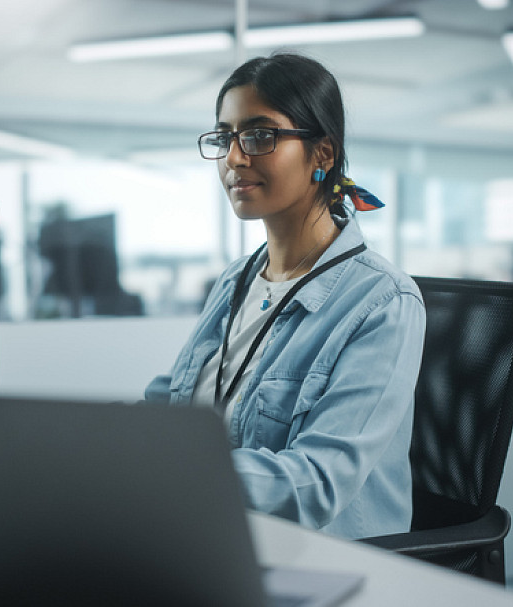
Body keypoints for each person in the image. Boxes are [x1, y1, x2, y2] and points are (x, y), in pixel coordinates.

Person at [145, 52, 426, 539]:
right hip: (217, 537)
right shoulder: (237, 280)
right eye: (224, 137)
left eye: (259, 135)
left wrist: (174, 477)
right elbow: (166, 411)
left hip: (324, 563)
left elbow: (317, 482)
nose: (234, 157)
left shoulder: (384, 302)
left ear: (323, 153)